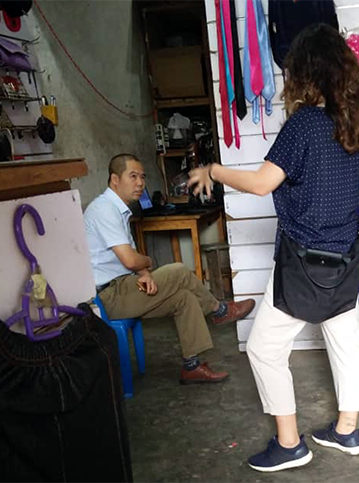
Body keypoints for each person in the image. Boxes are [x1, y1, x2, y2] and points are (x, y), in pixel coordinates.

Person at [189, 24, 359, 472]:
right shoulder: (357, 124)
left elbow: (260, 183)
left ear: (304, 73)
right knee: (345, 343)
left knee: (264, 349)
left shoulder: (304, 124)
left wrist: (214, 169)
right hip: (347, 255)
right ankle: (347, 430)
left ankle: (290, 444)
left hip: (305, 261)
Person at [84, 154, 255, 385]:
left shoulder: (120, 211)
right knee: (178, 271)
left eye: (142, 177)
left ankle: (191, 366)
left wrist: (144, 273)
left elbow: (133, 262)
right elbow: (131, 260)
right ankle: (219, 311)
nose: (140, 183)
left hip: (125, 286)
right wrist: (147, 264)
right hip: (108, 296)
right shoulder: (104, 209)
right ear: (115, 180)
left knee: (183, 298)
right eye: (132, 176)